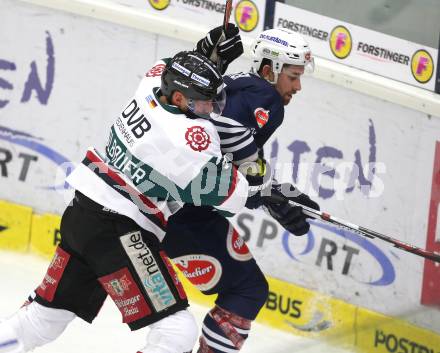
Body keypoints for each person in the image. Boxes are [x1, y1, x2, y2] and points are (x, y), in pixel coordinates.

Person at [0, 50, 264, 353]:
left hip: (83, 214)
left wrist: (208, 51)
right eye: (205, 102)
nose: (210, 110)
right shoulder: (190, 136)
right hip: (119, 229)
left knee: (41, 320)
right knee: (176, 332)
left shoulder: (149, 86)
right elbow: (236, 194)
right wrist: (271, 189)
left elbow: (167, 64)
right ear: (178, 99)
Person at [162, 27, 320, 353]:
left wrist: (278, 193)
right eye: (292, 76)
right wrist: (272, 195)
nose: (298, 86)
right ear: (268, 70)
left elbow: (233, 154)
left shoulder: (237, 83)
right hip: (182, 213)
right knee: (248, 290)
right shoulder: (267, 99)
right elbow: (224, 153)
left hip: (174, 204)